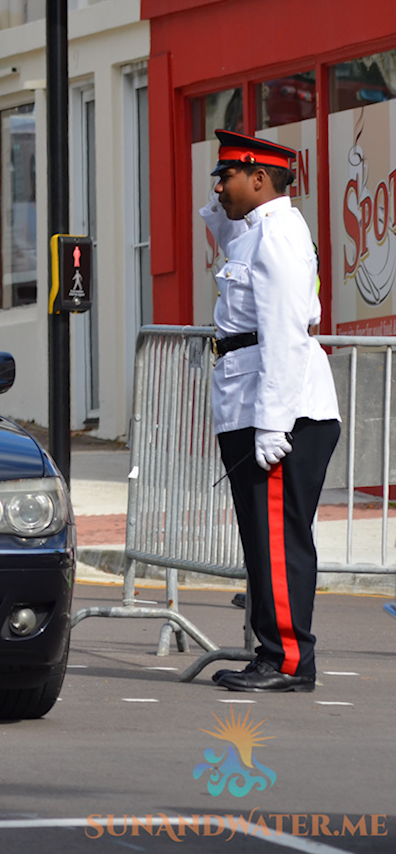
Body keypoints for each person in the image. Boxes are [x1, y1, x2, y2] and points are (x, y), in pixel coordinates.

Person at [202, 130, 340, 694]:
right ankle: (272, 652)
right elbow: (223, 227)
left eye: (227, 175)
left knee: (279, 542)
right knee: (264, 541)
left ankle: (287, 660)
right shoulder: (257, 232)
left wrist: (273, 422)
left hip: (282, 410)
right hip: (252, 399)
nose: (218, 185)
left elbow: (284, 333)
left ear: (259, 179)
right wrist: (220, 203)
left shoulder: (279, 236)